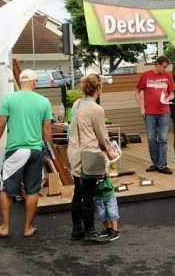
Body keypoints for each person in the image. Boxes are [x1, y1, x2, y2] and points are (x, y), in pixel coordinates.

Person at [0, 69, 53, 239]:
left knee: (6, 189)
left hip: (16, 151)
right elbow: (47, 130)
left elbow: (0, 126)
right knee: (32, 190)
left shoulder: (9, 99)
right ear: (33, 82)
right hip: (35, 151)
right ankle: (28, 228)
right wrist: (47, 152)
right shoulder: (44, 101)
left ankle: (5, 227)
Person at [67, 74, 116, 244]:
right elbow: (102, 135)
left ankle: (77, 230)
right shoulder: (96, 109)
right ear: (99, 88)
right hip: (89, 153)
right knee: (89, 194)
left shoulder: (77, 104)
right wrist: (109, 150)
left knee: (77, 192)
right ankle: (90, 232)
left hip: (73, 151)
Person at [135, 56, 175, 174]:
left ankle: (162, 165)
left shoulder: (168, 76)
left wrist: (169, 98)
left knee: (163, 139)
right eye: (163, 67)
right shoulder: (146, 75)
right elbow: (137, 91)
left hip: (164, 112)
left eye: (166, 67)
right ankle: (156, 163)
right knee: (151, 138)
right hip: (150, 112)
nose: (165, 69)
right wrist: (141, 106)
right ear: (157, 64)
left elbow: (172, 93)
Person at [94, 164, 120, 241]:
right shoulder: (90, 171)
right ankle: (108, 229)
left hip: (109, 194)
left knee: (112, 213)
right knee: (102, 214)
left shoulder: (103, 167)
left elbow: (107, 172)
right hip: (98, 195)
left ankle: (115, 231)